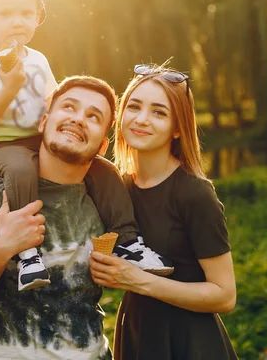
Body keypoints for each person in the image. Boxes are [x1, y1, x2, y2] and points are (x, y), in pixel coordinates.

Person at [0, 0, 171, 290]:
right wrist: (9, 88)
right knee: (19, 169)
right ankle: (28, 254)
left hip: (39, 138)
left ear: (37, 18)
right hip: (1, 145)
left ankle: (128, 241)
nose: (16, 21)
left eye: (25, 13)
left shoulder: (38, 61)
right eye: (4, 13)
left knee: (103, 169)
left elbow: (53, 102)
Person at [0, 76, 137, 359]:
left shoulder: (107, 204)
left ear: (102, 147)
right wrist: (3, 244)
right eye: (69, 107)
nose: (78, 119)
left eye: (93, 116)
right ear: (43, 122)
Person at [89, 63, 238, 359]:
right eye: (134, 107)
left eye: (159, 112)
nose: (141, 119)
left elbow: (225, 295)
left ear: (178, 128)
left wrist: (139, 281)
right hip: (137, 334)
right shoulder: (117, 188)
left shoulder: (195, 194)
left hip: (189, 343)